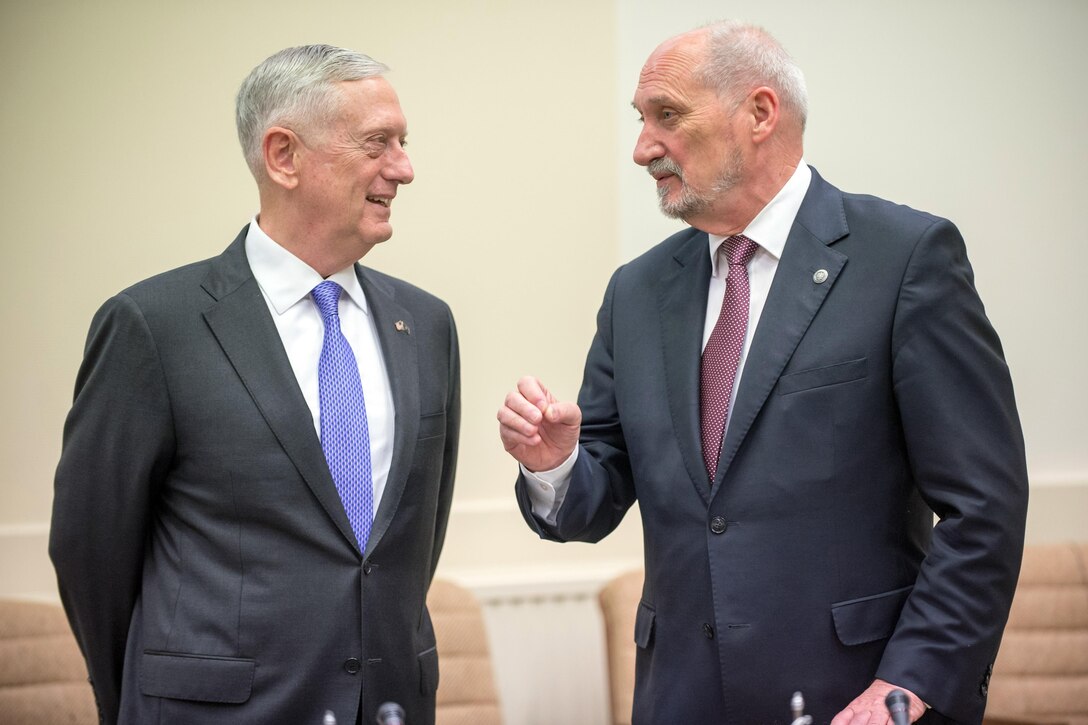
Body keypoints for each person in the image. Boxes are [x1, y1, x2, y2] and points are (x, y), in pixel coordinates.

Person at [498, 21, 1027, 725]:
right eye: (640, 120)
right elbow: (597, 495)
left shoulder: (903, 260)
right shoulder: (636, 291)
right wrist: (557, 466)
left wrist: (911, 684)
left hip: (858, 698)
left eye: (667, 115)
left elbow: (983, 506)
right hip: (680, 698)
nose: (642, 147)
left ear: (759, 113)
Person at [50, 45, 459, 725]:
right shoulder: (155, 326)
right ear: (283, 156)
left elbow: (409, 544)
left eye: (404, 143)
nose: (404, 168)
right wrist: (141, 697)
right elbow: (90, 550)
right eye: (378, 143)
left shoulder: (426, 323)